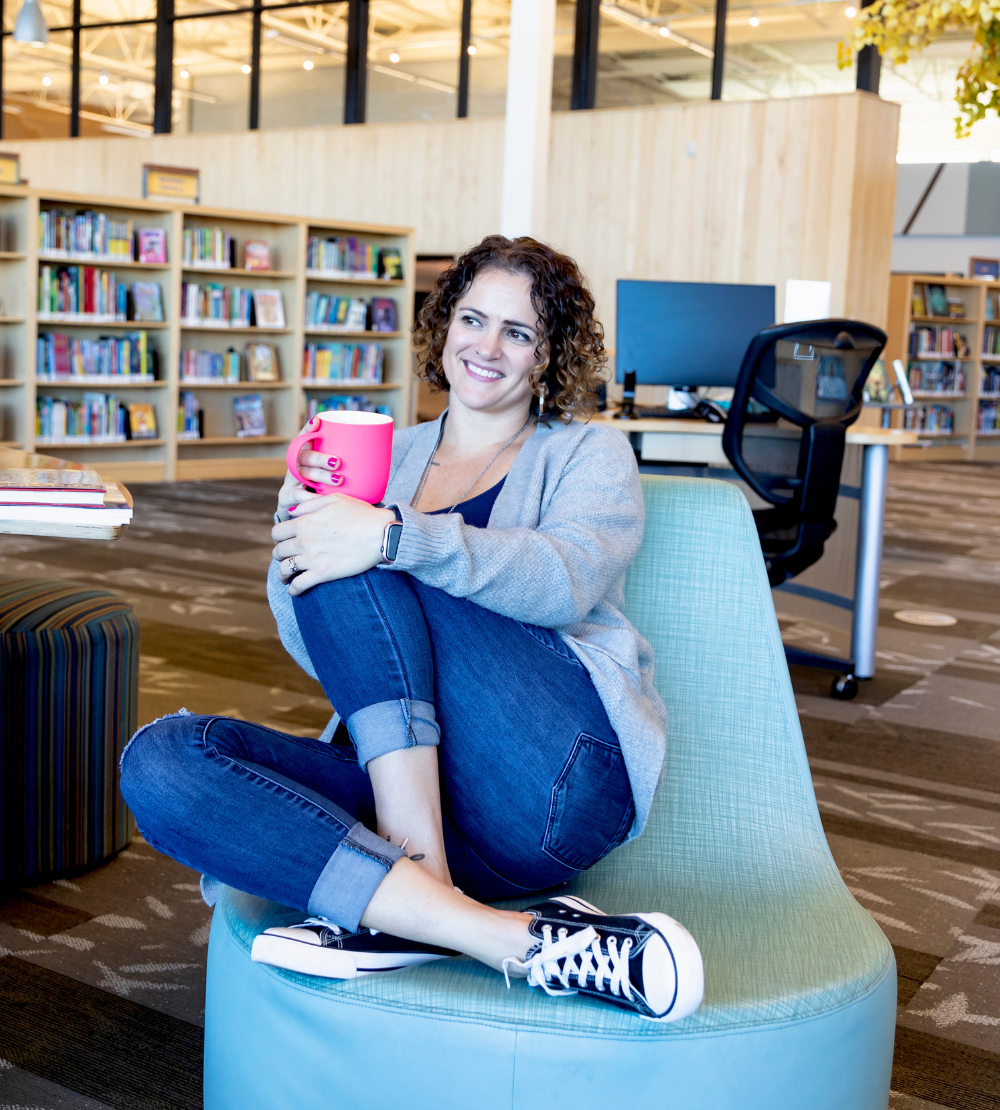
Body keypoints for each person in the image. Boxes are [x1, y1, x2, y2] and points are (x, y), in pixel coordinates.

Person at [120, 235, 703, 1022]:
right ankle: (466, 922)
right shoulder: (385, 454)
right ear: (445, 326)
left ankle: (402, 878)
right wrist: (298, 522)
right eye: (473, 318)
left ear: (547, 355)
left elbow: (567, 580)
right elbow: (322, 642)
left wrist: (389, 535)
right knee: (162, 763)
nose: (487, 346)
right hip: (425, 796)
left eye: (518, 332)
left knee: (357, 548)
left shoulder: (587, 451)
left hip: (551, 776)